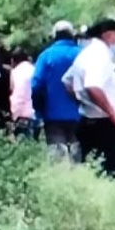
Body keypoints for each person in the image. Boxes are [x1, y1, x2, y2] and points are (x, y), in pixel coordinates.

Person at [63, 17, 115, 175]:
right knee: (109, 172)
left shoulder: (86, 54)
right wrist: (114, 115)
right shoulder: (99, 55)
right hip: (104, 124)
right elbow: (93, 86)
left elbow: (67, 82)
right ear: (108, 35)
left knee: (92, 169)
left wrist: (83, 101)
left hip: (89, 119)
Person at [31, 21, 82, 161]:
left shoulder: (46, 56)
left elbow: (36, 85)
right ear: (72, 35)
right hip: (81, 113)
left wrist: (39, 109)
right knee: (76, 149)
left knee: (57, 152)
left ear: (54, 36)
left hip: (52, 113)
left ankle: (61, 178)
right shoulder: (82, 54)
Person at [9, 47, 36, 138]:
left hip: (21, 113)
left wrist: (14, 114)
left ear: (13, 60)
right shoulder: (34, 69)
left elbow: (15, 92)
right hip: (35, 113)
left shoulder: (15, 72)